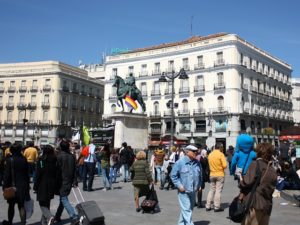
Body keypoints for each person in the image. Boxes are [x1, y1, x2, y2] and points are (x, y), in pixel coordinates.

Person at [239, 143, 277, 225]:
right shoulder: (272, 169)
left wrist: (241, 180)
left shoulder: (255, 164)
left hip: (255, 203)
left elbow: (246, 182)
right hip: (267, 205)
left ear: (259, 152)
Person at [171, 145, 202, 225]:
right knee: (187, 209)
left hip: (193, 190)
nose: (196, 153)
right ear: (187, 152)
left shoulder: (197, 163)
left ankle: (181, 223)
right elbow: (173, 175)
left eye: (197, 151)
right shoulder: (180, 162)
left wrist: (199, 185)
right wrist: (179, 185)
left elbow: (200, 175)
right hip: (183, 191)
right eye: (194, 151)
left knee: (189, 209)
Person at [2, 143, 30, 225]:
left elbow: (7, 175)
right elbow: (26, 174)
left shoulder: (10, 159)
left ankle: (10, 222)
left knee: (11, 206)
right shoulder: (24, 159)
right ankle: (23, 222)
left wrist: (4, 187)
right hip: (22, 185)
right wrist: (27, 186)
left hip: (12, 186)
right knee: (21, 206)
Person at [54, 140, 79, 225]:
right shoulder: (71, 156)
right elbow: (75, 169)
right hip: (69, 179)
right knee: (62, 199)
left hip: (62, 180)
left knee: (64, 199)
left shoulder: (59, 156)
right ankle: (57, 216)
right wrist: (75, 181)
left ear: (61, 147)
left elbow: (57, 171)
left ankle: (74, 216)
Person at [34, 145, 58, 225]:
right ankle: (44, 222)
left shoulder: (41, 161)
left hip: (42, 183)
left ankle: (50, 217)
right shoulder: (55, 160)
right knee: (47, 203)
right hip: (52, 183)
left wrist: (35, 185)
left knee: (42, 203)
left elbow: (38, 173)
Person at [205, 142, 227, 212]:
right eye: (222, 147)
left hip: (212, 174)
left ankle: (208, 206)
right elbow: (225, 165)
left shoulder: (210, 154)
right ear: (220, 147)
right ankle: (216, 207)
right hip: (220, 174)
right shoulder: (221, 154)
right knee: (218, 191)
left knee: (211, 190)